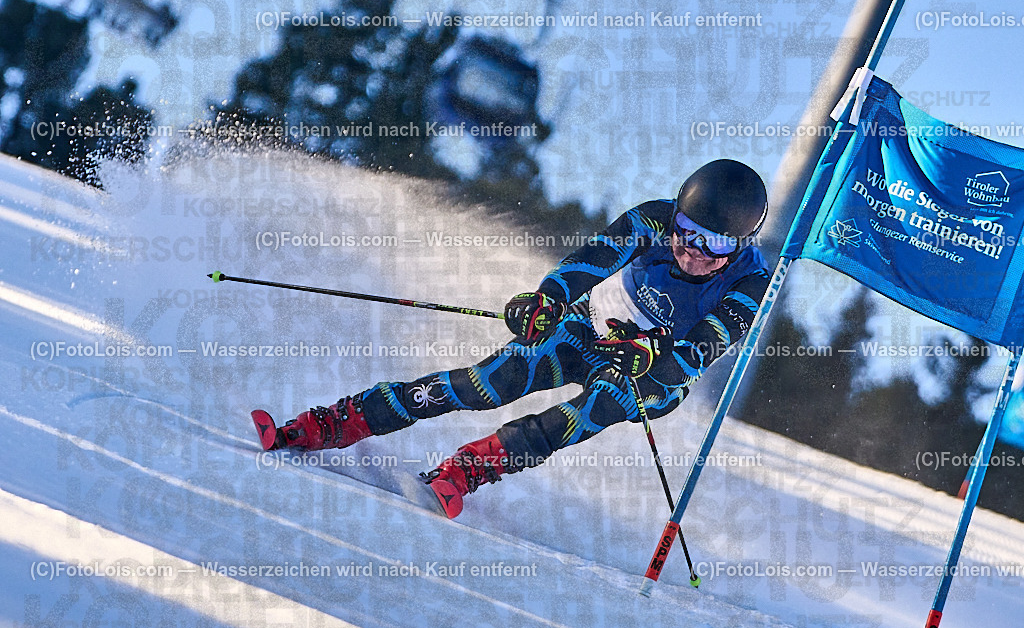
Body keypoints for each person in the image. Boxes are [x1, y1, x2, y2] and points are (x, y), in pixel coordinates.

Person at [251, 159, 771, 519]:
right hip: (594, 328)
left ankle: (464, 472)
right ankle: (333, 422)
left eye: (716, 243)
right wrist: (547, 299)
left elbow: (708, 343)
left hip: (656, 371)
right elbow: (588, 263)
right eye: (686, 228)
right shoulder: (655, 221)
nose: (693, 250)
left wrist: (653, 355)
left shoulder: (749, 281)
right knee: (489, 383)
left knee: (599, 405)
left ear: (740, 244)